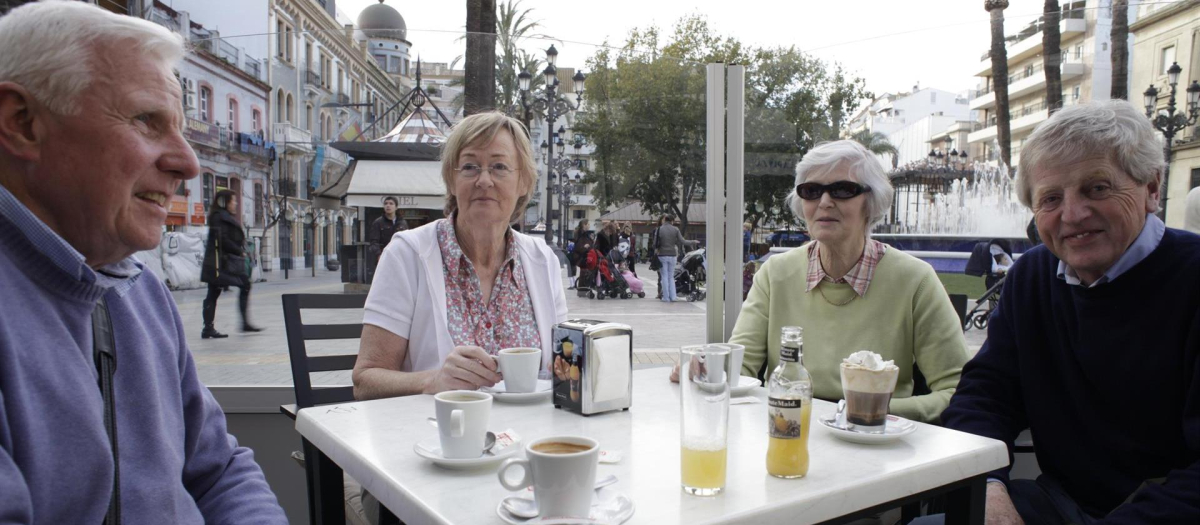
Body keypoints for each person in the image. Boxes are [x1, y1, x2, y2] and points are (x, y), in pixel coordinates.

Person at [0, 2, 286, 523]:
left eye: (180, 127)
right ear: (22, 123)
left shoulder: (140, 291)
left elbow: (219, 471)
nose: (188, 162)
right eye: (146, 121)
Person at [928, 100, 1200, 524]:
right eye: (1051, 198)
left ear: (1151, 188)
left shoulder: (1193, 279)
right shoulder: (1032, 277)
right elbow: (985, 394)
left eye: (1097, 188)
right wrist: (989, 491)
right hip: (1059, 506)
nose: (1072, 215)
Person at [674, 140, 967, 425]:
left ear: (871, 202)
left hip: (875, 444)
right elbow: (739, 370)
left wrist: (874, 410)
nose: (824, 202)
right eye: (812, 191)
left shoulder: (915, 280)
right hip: (785, 432)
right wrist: (701, 367)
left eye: (842, 190)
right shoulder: (776, 273)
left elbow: (958, 390)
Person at [352, 111, 568, 400]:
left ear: (524, 182)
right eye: (469, 167)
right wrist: (432, 380)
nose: (484, 180)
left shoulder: (543, 261)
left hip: (530, 438)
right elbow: (365, 381)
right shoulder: (408, 254)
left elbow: (561, 366)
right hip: (435, 437)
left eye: (500, 166)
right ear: (452, 182)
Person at [200, 189, 262, 338]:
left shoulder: (221, 217)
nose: (235, 203)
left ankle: (208, 328)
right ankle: (241, 324)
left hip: (221, 263)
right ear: (224, 202)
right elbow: (223, 239)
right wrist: (238, 251)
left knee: (213, 293)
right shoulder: (219, 217)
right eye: (233, 201)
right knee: (243, 284)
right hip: (220, 264)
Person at [367, 195, 408, 279]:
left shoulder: (402, 223)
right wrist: (379, 255)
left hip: (399, 257)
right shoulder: (378, 223)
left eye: (391, 203)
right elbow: (374, 242)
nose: (388, 205)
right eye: (386, 203)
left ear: (396, 207)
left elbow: (407, 240)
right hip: (383, 257)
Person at [654, 214, 686, 302]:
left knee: (664, 276)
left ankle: (666, 297)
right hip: (672, 255)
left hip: (662, 255)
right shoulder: (675, 229)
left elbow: (654, 244)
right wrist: (693, 242)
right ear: (672, 221)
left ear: (665, 220)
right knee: (671, 277)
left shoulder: (659, 229)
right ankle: (673, 297)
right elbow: (683, 241)